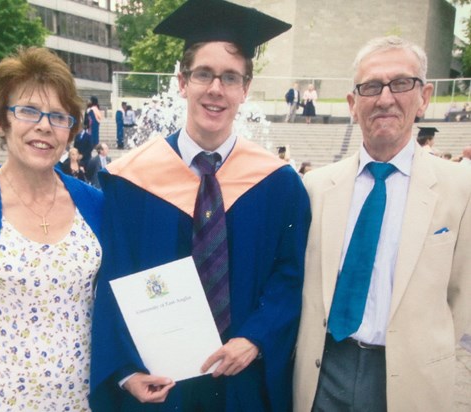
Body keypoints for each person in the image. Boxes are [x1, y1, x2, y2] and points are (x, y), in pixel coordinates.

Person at [90, 0, 311, 411]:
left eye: (230, 77)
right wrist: (125, 370)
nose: (215, 89)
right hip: (161, 386)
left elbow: (290, 274)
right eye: (203, 74)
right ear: (182, 81)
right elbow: (113, 280)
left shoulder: (279, 185)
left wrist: (257, 338)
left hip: (243, 383)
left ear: (245, 89)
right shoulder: (130, 182)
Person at [293, 36, 471, 412]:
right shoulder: (316, 187)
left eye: (401, 83)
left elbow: (462, 297)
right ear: (352, 105)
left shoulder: (460, 189)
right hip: (325, 373)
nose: (385, 98)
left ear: (424, 97)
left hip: (410, 380)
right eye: (370, 86)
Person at [0, 47, 105, 410]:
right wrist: (7, 350)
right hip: (10, 395)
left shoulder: (94, 203)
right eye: (28, 111)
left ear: (69, 131)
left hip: (87, 394)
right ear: (1, 121)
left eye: (59, 116)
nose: (44, 125)